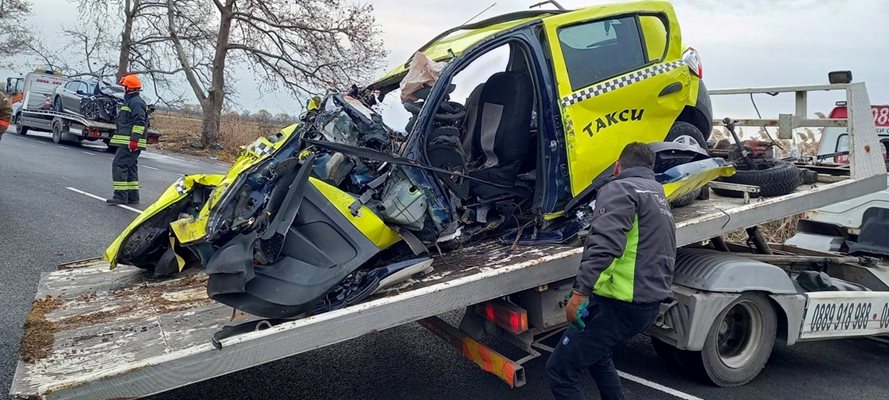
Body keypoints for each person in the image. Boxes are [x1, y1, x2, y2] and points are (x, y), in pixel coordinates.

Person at [546, 142, 677, 400]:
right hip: (642, 303)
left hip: (623, 305)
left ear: (618, 166)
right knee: (599, 357)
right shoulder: (656, 192)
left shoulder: (619, 187)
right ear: (649, 168)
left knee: (560, 371)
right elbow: (629, 249)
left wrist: (580, 293)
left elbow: (605, 244)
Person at [107, 74, 148, 205]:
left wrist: (134, 140)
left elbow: (140, 122)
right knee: (130, 168)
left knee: (119, 165)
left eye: (125, 86)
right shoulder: (132, 101)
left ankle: (120, 196)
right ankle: (132, 196)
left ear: (129, 88)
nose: (123, 88)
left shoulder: (135, 102)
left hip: (130, 143)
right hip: (129, 142)